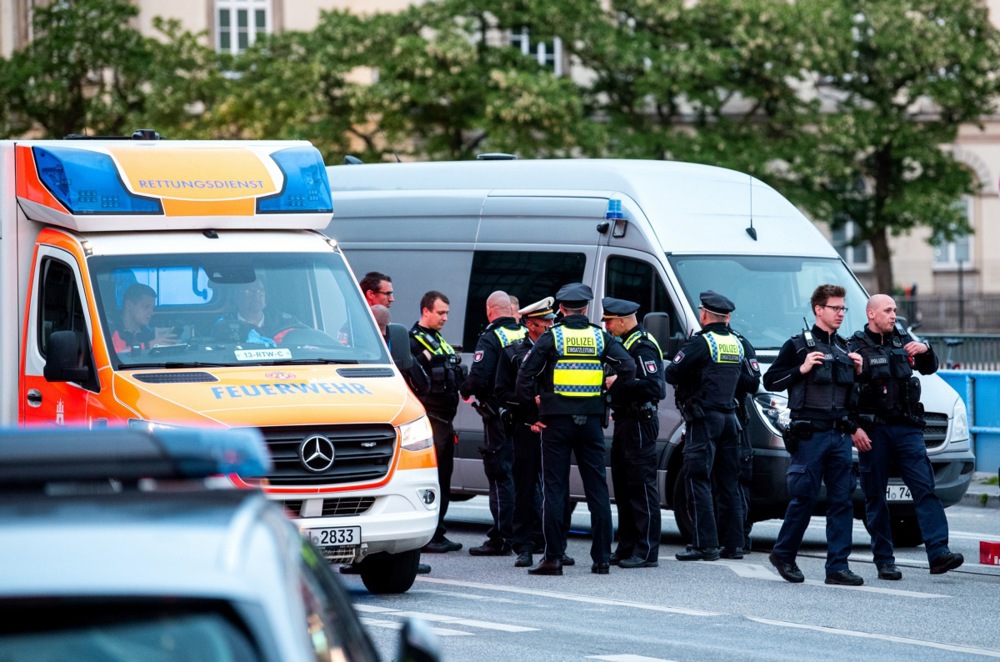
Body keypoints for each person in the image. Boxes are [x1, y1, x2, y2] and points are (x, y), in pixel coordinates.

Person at [516, 283, 635, 576]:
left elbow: (524, 375)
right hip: (591, 422)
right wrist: (608, 395)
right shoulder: (600, 337)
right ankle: (602, 560)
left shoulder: (551, 337)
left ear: (560, 309)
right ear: (585, 309)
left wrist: (535, 413)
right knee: (597, 490)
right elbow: (629, 368)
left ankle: (553, 558)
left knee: (555, 490)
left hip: (556, 423)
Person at [847, 294, 964, 578]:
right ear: (871, 314)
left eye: (895, 310)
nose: (893, 314)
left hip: (907, 428)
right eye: (887, 310)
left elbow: (930, 367)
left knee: (925, 488)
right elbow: (842, 393)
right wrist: (853, 428)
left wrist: (925, 350)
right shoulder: (854, 347)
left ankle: (938, 552)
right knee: (875, 497)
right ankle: (884, 560)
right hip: (874, 432)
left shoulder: (902, 340)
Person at [763, 284, 865, 585]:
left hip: (839, 435)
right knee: (804, 497)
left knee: (842, 500)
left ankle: (837, 567)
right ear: (818, 309)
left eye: (843, 308)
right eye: (835, 308)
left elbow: (853, 396)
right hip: (810, 435)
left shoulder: (847, 348)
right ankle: (783, 554)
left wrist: (860, 374)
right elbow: (771, 381)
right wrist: (802, 368)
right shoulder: (797, 346)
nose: (841, 314)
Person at [666, 291, 756, 562]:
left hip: (704, 419)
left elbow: (672, 373)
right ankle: (734, 544)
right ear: (727, 317)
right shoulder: (739, 343)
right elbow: (751, 383)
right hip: (731, 418)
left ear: (704, 314)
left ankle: (705, 544)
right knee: (729, 482)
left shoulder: (701, 343)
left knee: (698, 479)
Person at [496, 296, 575, 569]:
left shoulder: (558, 348)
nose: (552, 325)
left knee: (558, 489)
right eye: (546, 322)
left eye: (553, 320)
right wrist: (531, 405)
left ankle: (556, 546)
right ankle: (525, 546)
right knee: (525, 488)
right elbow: (502, 393)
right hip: (527, 427)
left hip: (556, 426)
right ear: (531, 324)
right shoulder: (512, 352)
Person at [601, 297, 666, 569]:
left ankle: (646, 550)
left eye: (609, 321)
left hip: (640, 422)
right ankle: (626, 546)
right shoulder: (624, 343)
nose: (606, 326)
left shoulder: (642, 346)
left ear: (624, 320)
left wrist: (621, 382)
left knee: (640, 487)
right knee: (625, 489)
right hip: (626, 421)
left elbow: (655, 388)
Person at [461, 291, 524, 556]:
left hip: (498, 416)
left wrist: (465, 390)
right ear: (510, 309)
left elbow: (479, 376)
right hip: (525, 415)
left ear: (490, 311)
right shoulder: (523, 333)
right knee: (526, 476)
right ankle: (525, 535)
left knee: (500, 474)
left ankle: (500, 537)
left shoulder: (491, 337)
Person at [411, 291, 467, 555]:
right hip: (431, 419)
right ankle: (428, 535)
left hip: (445, 421)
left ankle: (438, 531)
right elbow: (411, 376)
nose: (445, 317)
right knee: (431, 479)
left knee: (444, 479)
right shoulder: (413, 341)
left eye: (446, 312)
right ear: (426, 311)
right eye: (441, 312)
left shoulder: (438, 340)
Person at [214, 278, 299, 346]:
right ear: (236, 297)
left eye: (260, 291)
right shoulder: (224, 325)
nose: (256, 296)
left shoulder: (284, 323)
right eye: (248, 291)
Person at [111, 283, 177, 353]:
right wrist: (147, 346)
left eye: (152, 308)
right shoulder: (108, 329)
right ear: (129, 305)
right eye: (146, 306)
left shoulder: (148, 335)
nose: (151, 313)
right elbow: (112, 353)